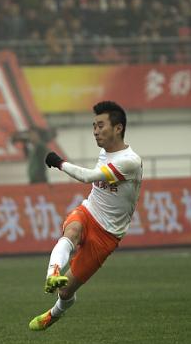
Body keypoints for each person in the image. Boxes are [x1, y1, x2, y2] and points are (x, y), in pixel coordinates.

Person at [29, 101, 142, 331]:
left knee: (66, 292)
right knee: (71, 231)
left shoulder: (130, 162)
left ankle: (54, 313)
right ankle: (52, 272)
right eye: (94, 126)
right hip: (88, 211)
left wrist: (58, 162)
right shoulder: (105, 152)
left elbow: (88, 177)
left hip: (107, 234)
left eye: (100, 126)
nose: (95, 131)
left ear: (118, 128)